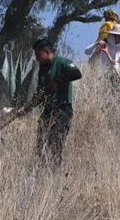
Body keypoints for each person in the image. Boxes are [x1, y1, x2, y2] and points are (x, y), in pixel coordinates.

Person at [16, 39, 83, 168]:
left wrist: (57, 81)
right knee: (42, 143)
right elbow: (40, 93)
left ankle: (55, 170)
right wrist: (27, 108)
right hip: (47, 111)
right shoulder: (42, 68)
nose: (37, 58)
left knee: (57, 142)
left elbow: (76, 73)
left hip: (62, 110)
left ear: (47, 52)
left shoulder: (62, 62)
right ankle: (42, 169)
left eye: (38, 55)